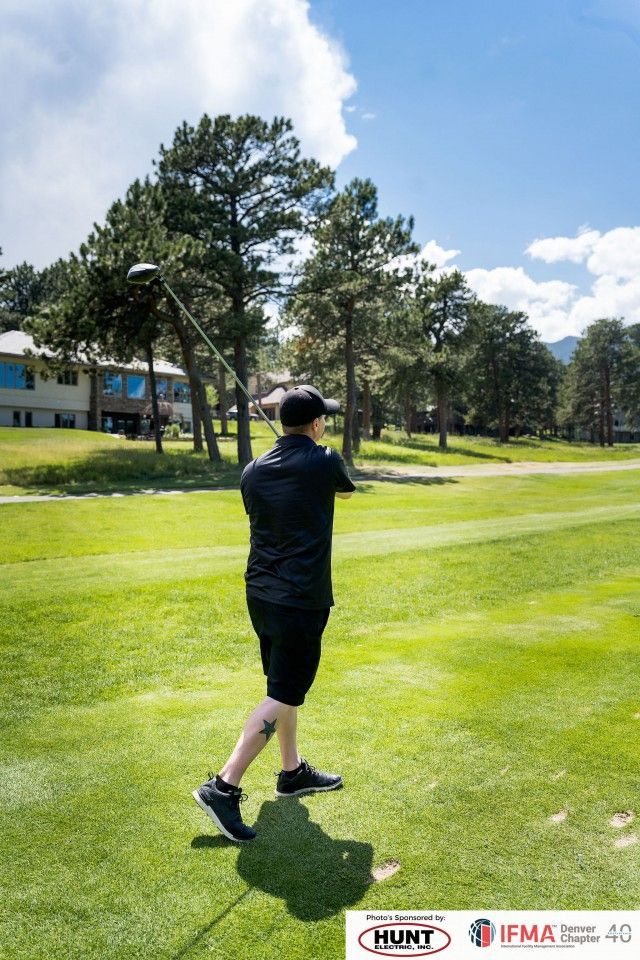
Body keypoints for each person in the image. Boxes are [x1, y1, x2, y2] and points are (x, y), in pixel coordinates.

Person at [192, 385, 356, 842]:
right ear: (318, 423)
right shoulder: (325, 460)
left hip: (260, 595)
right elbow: (344, 494)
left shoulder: (252, 470)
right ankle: (223, 787)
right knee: (284, 692)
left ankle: (291, 772)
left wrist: (289, 452)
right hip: (300, 599)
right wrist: (309, 452)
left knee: (281, 686)